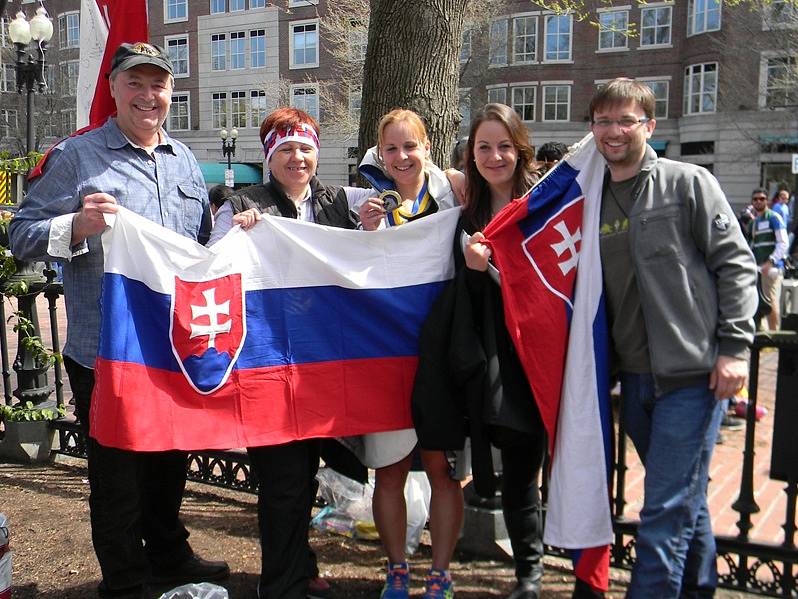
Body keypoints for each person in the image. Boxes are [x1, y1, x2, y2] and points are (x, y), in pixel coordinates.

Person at [9, 42, 227, 599]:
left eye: (158, 85)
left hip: (170, 348)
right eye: (136, 84)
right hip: (105, 347)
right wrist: (76, 227)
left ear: (170, 94)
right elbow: (21, 235)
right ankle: (127, 580)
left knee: (168, 466)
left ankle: (170, 556)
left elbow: (202, 246)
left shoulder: (183, 161)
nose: (147, 95)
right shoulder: (77, 158)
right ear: (114, 89)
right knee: (117, 478)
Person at [588, 78, 757, 597]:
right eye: (604, 121)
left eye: (627, 120)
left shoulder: (688, 183)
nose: (615, 132)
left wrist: (734, 349)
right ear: (592, 128)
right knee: (684, 503)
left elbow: (737, 265)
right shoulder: (589, 198)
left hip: (693, 377)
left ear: (650, 126)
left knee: (661, 509)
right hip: (635, 381)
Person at [209, 107, 369, 599]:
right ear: (269, 156)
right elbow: (213, 263)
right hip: (270, 364)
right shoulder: (241, 203)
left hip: (328, 363)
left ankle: (302, 563)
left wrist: (375, 223)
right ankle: (281, 584)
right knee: (283, 480)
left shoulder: (340, 200)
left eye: (305, 148)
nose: (297, 158)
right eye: (285, 150)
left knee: (329, 471)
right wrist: (238, 232)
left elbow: (410, 188)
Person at [357, 109, 461, 599]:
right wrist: (366, 235)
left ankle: (440, 573)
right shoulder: (369, 204)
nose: (401, 157)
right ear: (380, 154)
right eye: (391, 149)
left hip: (441, 357)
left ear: (426, 147)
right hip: (389, 356)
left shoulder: (454, 193)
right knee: (391, 470)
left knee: (443, 470)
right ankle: (396, 569)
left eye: (410, 146)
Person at [458, 103, 546, 599]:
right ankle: (528, 573)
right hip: (494, 360)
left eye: (504, 146)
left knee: (536, 469)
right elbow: (463, 301)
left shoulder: (544, 203)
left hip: (541, 355)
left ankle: (543, 569)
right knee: (514, 467)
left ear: (520, 149)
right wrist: (474, 271)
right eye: (484, 147)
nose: (494, 156)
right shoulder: (467, 214)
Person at [749, 188, 789, 330]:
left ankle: (774, 336)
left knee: (770, 301)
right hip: (757, 269)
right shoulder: (753, 223)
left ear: (768, 201)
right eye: (755, 199)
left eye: (762, 199)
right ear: (752, 202)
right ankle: (764, 333)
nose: (758, 201)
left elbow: (783, 242)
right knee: (759, 302)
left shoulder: (774, 217)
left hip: (771, 268)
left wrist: (770, 262)